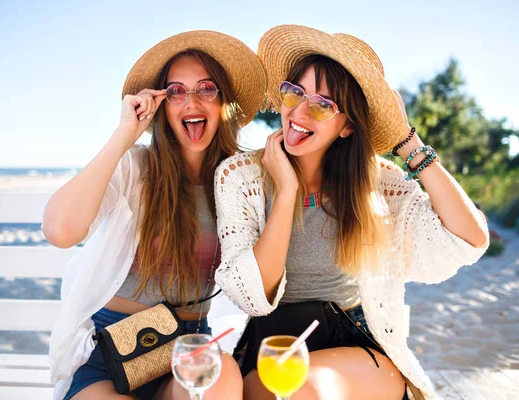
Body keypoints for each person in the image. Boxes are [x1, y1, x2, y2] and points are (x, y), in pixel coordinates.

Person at [214, 25, 489, 400]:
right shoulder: (240, 177)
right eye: (294, 93)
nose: (299, 111)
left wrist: (408, 144)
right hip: (273, 344)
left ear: (346, 127)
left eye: (323, 105)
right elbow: (252, 295)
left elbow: (470, 239)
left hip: (355, 345)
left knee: (300, 389)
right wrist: (286, 192)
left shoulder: (376, 184)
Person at [43, 30, 266, 400]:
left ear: (224, 102)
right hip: (108, 353)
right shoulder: (136, 167)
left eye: (206, 88)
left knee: (222, 375)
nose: (191, 102)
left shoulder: (243, 180)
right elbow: (60, 230)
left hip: (188, 348)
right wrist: (125, 134)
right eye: (176, 91)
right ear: (161, 104)